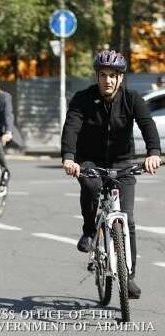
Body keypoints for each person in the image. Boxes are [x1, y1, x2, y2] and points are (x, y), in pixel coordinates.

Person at [61, 50, 161, 299]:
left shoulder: (132, 98)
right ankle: (89, 229)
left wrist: (153, 153)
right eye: (103, 75)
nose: (107, 80)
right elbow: (71, 126)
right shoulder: (83, 98)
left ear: (120, 77)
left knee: (129, 219)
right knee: (91, 186)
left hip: (123, 161)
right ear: (97, 76)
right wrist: (69, 158)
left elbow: (147, 124)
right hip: (90, 160)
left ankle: (129, 278)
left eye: (113, 75)